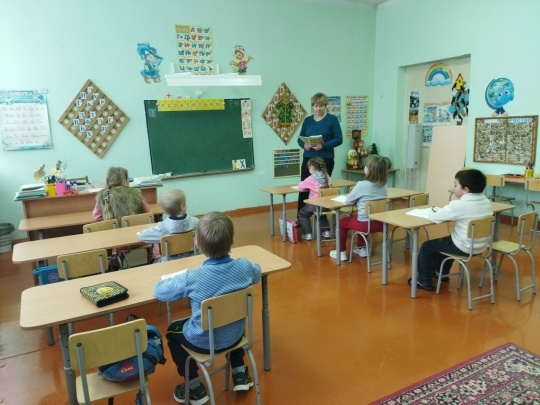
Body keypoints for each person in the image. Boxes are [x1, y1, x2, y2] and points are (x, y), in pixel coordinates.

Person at [154, 211, 261, 405]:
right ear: (232, 241)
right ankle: (239, 372)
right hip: (236, 335)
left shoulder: (193, 277)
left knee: (172, 331)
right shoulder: (244, 266)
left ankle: (193, 386)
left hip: (203, 342)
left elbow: (159, 291)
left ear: (198, 244)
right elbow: (257, 273)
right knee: (230, 315)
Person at [409, 168, 492, 291]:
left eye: (455, 185)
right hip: (480, 246)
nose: (453, 188)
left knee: (427, 246)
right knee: (446, 241)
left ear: (465, 189)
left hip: (464, 246)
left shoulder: (458, 205)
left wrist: (435, 211)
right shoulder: (486, 201)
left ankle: (423, 281)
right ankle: (441, 273)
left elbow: (435, 217)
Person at [330, 155, 388, 261]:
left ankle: (341, 252)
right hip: (380, 223)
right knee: (361, 216)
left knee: (341, 223)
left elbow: (348, 200)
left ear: (369, 170)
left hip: (365, 224)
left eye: (366, 166)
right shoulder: (384, 185)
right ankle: (362, 249)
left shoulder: (362, 185)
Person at [296, 92, 343, 224]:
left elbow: (339, 139)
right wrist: (304, 145)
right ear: (312, 106)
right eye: (316, 106)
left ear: (325, 106)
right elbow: (300, 139)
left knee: (322, 189)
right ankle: (301, 218)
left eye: (321, 106)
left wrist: (323, 146)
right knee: (304, 188)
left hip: (325, 159)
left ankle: (321, 219)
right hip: (309, 159)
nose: (318, 108)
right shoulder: (307, 120)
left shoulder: (332, 120)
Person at [93, 167, 151, 265]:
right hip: (140, 239)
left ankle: (113, 264)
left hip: (117, 243)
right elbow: (147, 211)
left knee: (105, 235)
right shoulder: (135, 192)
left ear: (107, 179)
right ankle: (153, 259)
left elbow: (97, 217)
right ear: (125, 179)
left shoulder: (103, 195)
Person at [138, 189, 198, 262]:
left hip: (169, 263)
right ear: (182, 206)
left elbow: (142, 237)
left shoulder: (162, 227)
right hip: (192, 260)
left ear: (163, 210)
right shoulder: (196, 222)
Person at [297, 157, 333, 241]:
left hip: (316, 204)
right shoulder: (326, 176)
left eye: (309, 167)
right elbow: (331, 185)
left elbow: (300, 186)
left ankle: (308, 234)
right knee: (320, 213)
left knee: (302, 214)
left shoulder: (311, 178)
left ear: (312, 167)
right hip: (328, 204)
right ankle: (326, 231)